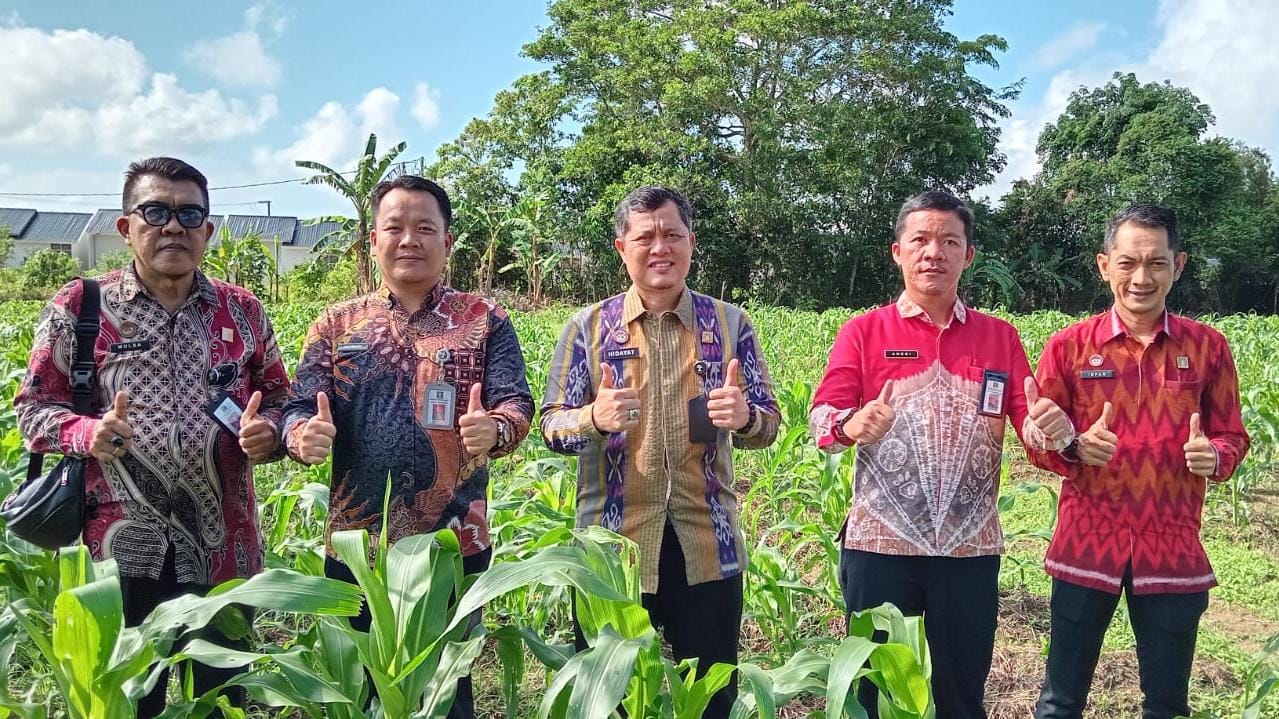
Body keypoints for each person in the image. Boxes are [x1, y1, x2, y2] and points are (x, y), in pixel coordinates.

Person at [15, 156, 288, 716]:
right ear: (126, 227)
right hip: (116, 557)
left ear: (207, 231)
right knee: (131, 698)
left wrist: (273, 432)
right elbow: (32, 411)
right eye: (156, 211)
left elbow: (281, 398)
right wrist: (86, 430)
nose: (173, 227)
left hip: (224, 552)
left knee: (220, 698)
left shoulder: (242, 311)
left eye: (190, 214)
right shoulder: (80, 307)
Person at [808, 190, 1075, 718]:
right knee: (875, 689)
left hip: (968, 550)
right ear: (898, 252)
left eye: (950, 241)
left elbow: (1031, 425)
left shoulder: (999, 337)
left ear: (968, 255)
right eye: (922, 240)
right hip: (880, 546)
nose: (935, 252)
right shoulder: (863, 332)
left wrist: (1057, 431)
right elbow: (822, 414)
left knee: (961, 689)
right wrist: (851, 422)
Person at [282, 174, 534, 718]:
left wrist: (497, 428)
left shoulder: (484, 320)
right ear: (373, 240)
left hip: (452, 545)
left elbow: (517, 402)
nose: (409, 240)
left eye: (425, 228)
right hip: (356, 545)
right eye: (394, 228)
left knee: (448, 692)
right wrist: (302, 434)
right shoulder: (334, 325)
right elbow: (299, 407)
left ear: (446, 240)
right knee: (358, 691)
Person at [540, 185, 780, 718]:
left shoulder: (731, 323)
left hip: (708, 546)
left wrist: (745, 419)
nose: (660, 247)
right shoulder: (587, 328)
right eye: (645, 236)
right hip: (611, 551)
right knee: (612, 704)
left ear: (691, 243)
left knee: (712, 700)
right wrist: (593, 418)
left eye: (672, 234)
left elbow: (769, 424)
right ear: (621, 247)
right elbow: (551, 425)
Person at [1027, 204, 1250, 719]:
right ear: (1105, 265)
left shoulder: (1209, 348)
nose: (1141, 278)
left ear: (1180, 265)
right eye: (1127, 263)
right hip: (1086, 546)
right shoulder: (1069, 348)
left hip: (1170, 547)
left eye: (1156, 263)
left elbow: (1233, 435)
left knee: (1168, 704)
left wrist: (1213, 454)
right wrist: (1073, 445)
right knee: (1061, 701)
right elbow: (1039, 439)